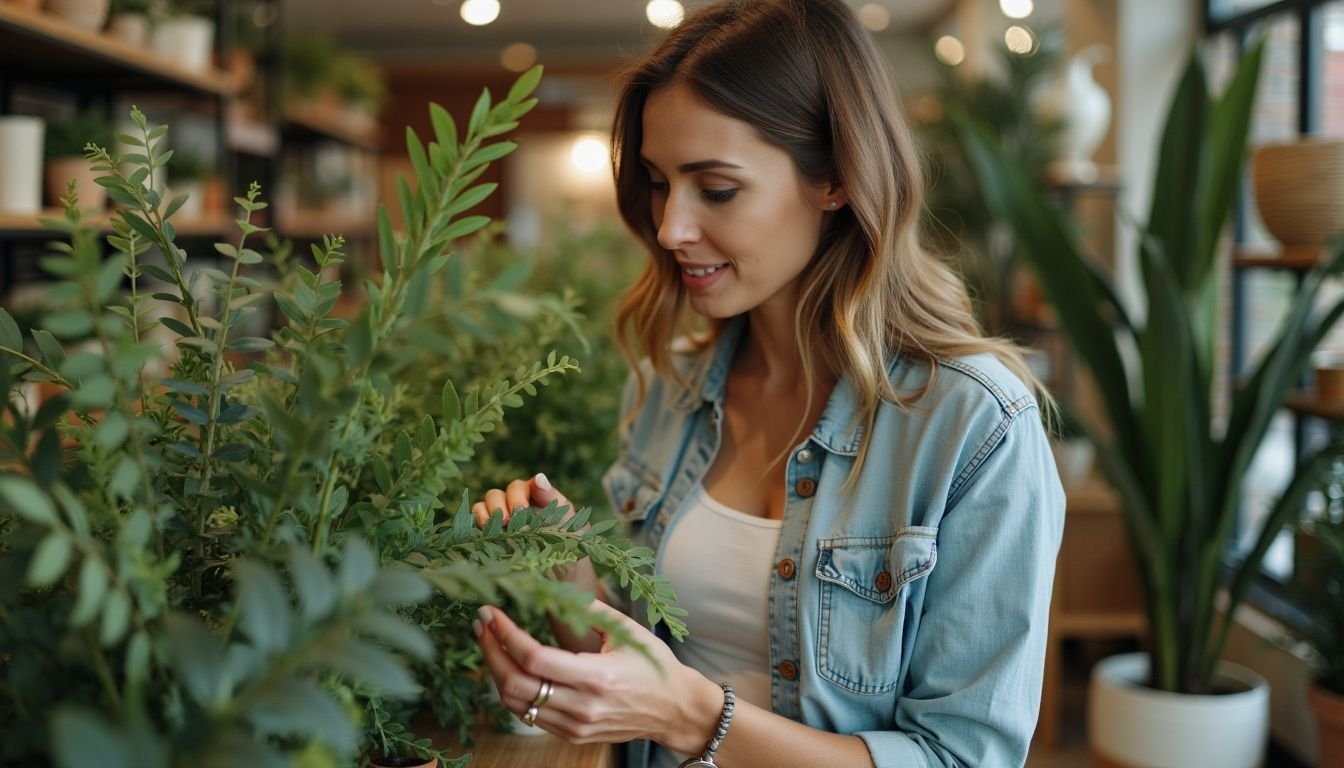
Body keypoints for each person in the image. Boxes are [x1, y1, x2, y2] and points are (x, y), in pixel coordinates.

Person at [468, 1, 1065, 766]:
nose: (670, 228)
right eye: (657, 183)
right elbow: (646, 682)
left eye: (716, 189)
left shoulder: (973, 427)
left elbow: (962, 758)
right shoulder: (668, 383)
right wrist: (574, 588)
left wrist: (693, 718)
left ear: (837, 180)